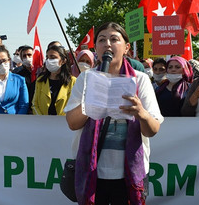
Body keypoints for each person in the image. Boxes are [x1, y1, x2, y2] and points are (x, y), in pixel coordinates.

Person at [64, 22, 163, 204]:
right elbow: (72, 123)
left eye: (114, 39)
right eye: (102, 40)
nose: (107, 44)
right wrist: (92, 99)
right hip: (92, 172)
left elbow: (152, 129)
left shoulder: (140, 80)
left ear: (126, 48)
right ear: (96, 48)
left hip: (128, 175)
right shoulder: (86, 79)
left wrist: (141, 112)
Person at [32, 45, 76, 115]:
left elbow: (74, 106)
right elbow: (35, 104)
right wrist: (41, 119)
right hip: (42, 123)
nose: (49, 60)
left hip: (64, 123)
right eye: (47, 57)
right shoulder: (40, 81)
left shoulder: (73, 81)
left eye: (53, 57)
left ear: (63, 61)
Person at [13, 45, 36, 112]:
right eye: (24, 56)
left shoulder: (40, 71)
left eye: (29, 55)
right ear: (21, 58)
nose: (27, 57)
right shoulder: (17, 72)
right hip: (23, 108)